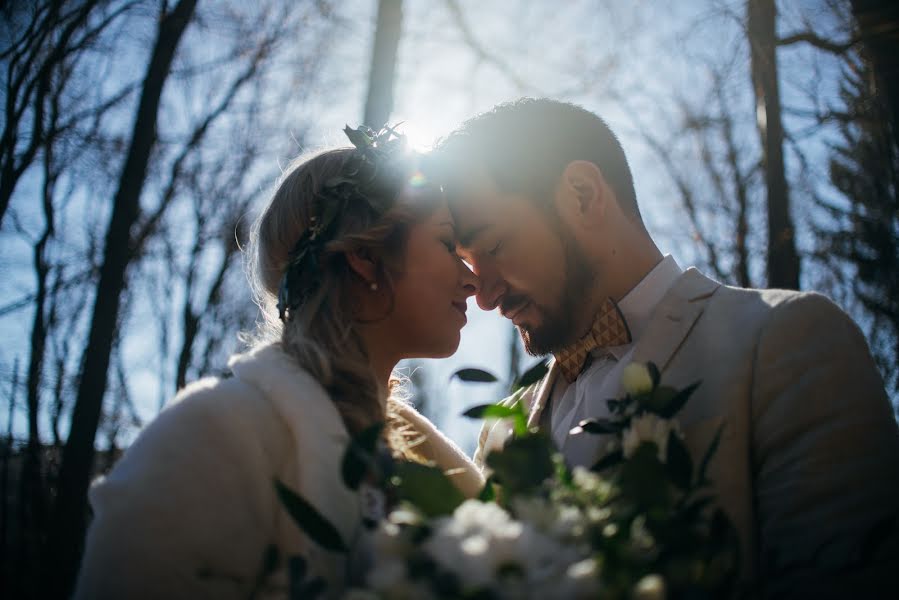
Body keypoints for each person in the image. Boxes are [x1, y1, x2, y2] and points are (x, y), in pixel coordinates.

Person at [435, 98, 899, 596]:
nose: (483, 296)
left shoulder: (787, 338)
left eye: (494, 247)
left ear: (584, 194)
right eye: (467, 264)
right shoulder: (503, 429)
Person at [74, 127, 484, 599]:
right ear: (366, 256)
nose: (471, 279)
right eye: (447, 244)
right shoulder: (214, 436)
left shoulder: (432, 466)